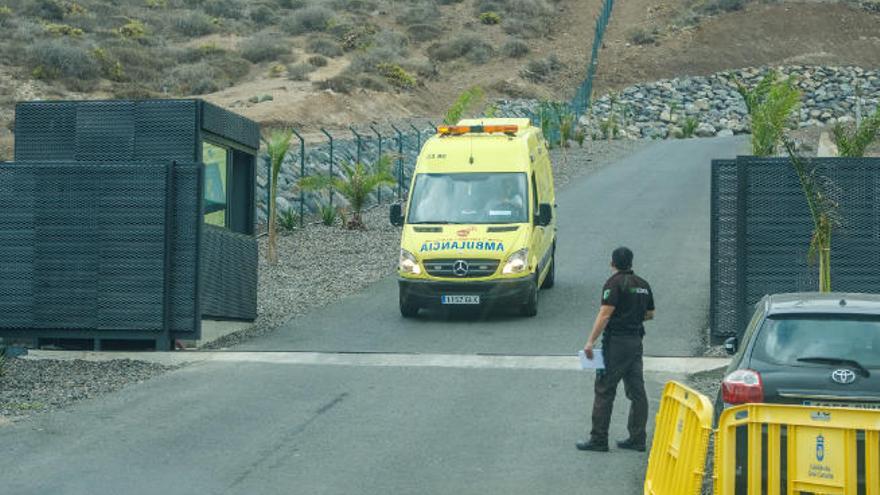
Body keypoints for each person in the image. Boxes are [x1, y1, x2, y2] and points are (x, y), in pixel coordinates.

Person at [577, 247, 655, 453]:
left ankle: (598, 439)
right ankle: (637, 438)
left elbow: (605, 315)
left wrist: (590, 342)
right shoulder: (643, 285)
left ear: (612, 263)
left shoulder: (614, 284)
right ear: (630, 262)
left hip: (616, 343)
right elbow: (650, 314)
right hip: (636, 342)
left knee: (604, 389)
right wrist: (633, 316)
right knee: (637, 391)